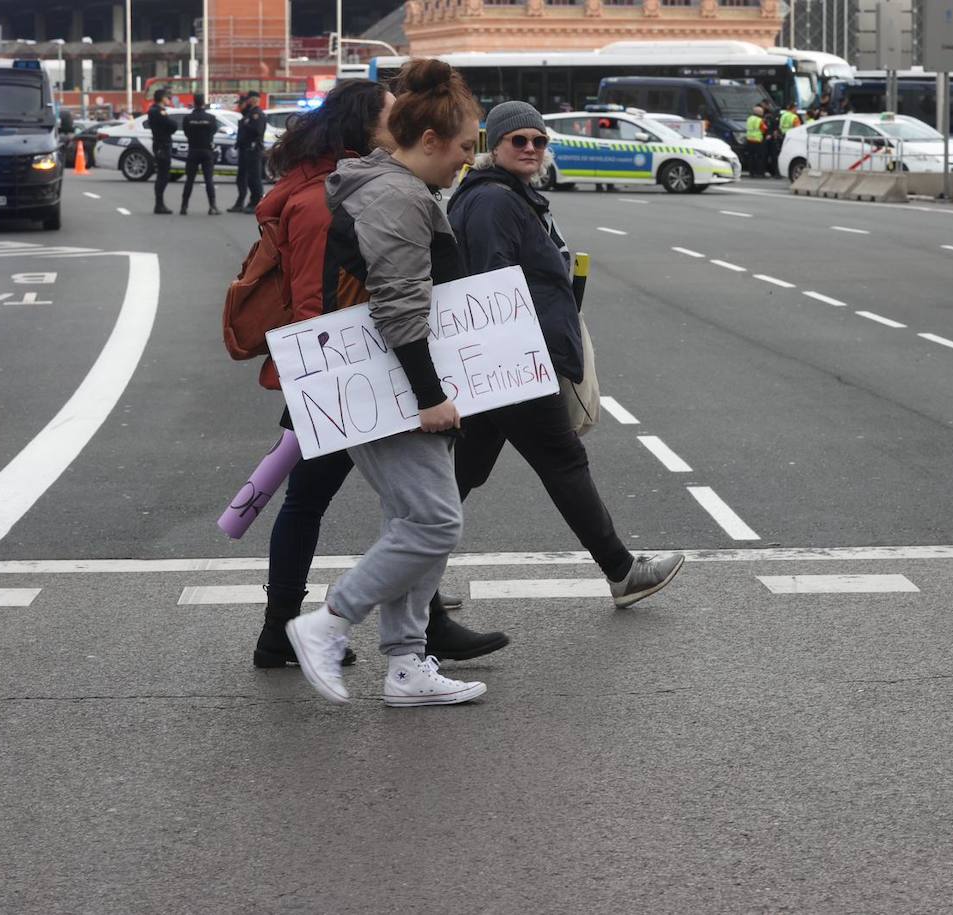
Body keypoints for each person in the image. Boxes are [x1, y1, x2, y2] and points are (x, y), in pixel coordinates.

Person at [249, 78, 506, 671]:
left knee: (390, 510)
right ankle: (312, 629)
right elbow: (346, 296)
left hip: (356, 370)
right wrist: (416, 389)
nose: (472, 156)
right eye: (393, 114)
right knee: (416, 515)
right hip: (360, 374)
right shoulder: (369, 194)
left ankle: (405, 648)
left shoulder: (357, 185)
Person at [444, 101, 686, 613]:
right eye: (519, 141)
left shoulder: (510, 195)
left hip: (506, 359)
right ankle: (622, 572)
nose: (531, 149)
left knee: (461, 473)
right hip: (511, 360)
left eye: (538, 140)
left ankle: (402, 576)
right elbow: (491, 287)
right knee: (563, 461)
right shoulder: (494, 201)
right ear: (495, 144)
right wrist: (526, 352)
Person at [179, 93, 221, 215]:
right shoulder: (210, 118)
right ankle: (212, 206)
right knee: (209, 180)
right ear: (203, 102)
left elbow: (186, 133)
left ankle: (184, 206)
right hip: (207, 150)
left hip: (193, 150)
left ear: (194, 102)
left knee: (189, 180)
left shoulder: (188, 118)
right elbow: (213, 132)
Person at [229, 91, 266, 213]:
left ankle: (256, 202)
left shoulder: (257, 114)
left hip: (253, 149)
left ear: (253, 100)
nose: (240, 106)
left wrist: (246, 124)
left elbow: (257, 131)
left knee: (254, 178)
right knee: (245, 178)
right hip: (245, 149)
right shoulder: (248, 114)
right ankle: (244, 202)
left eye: (244, 102)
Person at [147, 88, 176, 215]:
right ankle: (159, 204)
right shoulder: (158, 111)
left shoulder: (155, 110)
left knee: (163, 175)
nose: (168, 99)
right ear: (162, 98)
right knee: (163, 175)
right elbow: (172, 125)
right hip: (162, 145)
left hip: (161, 143)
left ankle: (160, 203)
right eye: (167, 97)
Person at [745, 104, 767, 178]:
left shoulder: (749, 118)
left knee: (751, 157)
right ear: (759, 113)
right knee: (759, 157)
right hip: (758, 140)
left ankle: (751, 172)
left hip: (749, 139)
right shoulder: (759, 120)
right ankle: (760, 172)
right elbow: (764, 129)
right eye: (762, 112)